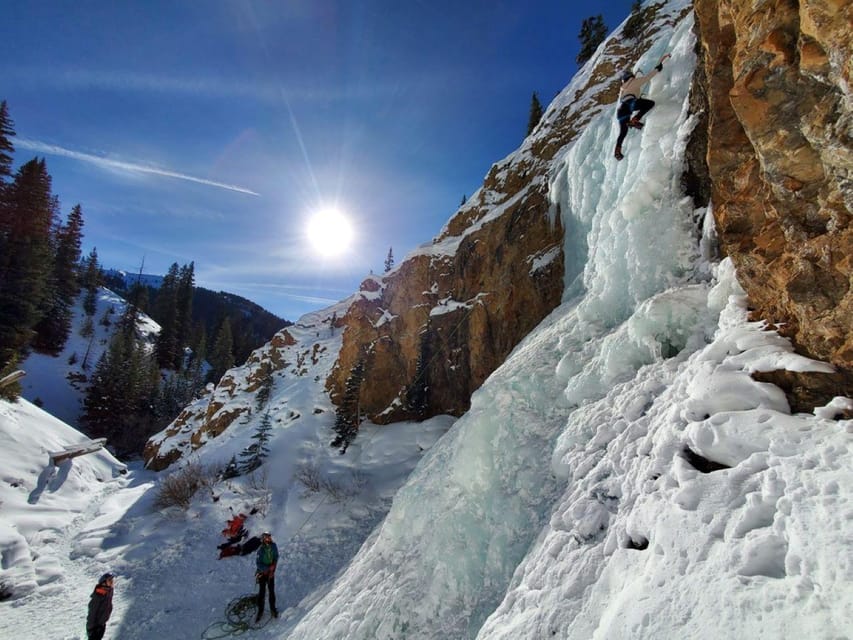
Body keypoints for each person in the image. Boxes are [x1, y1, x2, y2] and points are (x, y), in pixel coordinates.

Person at [614, 53, 671, 160]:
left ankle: (617, 150)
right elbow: (648, 77)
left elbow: (626, 95)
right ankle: (635, 119)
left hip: (621, 110)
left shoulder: (622, 88)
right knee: (649, 104)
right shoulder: (634, 81)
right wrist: (658, 69)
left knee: (623, 132)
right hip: (631, 103)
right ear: (630, 76)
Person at [254, 532, 279, 622]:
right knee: (262, 592)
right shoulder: (260, 549)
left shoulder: (273, 546)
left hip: (270, 573)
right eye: (266, 537)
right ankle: (260, 611)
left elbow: (276, 556)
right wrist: (268, 568)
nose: (268, 538)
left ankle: (273, 609)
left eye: (269, 536)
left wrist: (273, 568)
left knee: (271, 591)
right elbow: (258, 563)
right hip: (262, 573)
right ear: (263, 538)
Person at [86, 573, 114, 640]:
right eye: (109, 581)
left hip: (101, 624)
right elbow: (92, 611)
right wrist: (91, 628)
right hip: (95, 627)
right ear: (104, 583)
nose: (112, 582)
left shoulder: (108, 592)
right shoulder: (99, 593)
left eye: (112, 581)